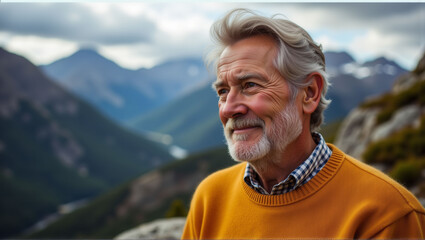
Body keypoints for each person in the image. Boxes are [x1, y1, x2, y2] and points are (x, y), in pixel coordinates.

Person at [182, 8, 425, 239]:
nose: (229, 108)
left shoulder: (387, 213)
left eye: (250, 85)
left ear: (309, 93)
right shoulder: (210, 198)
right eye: (223, 91)